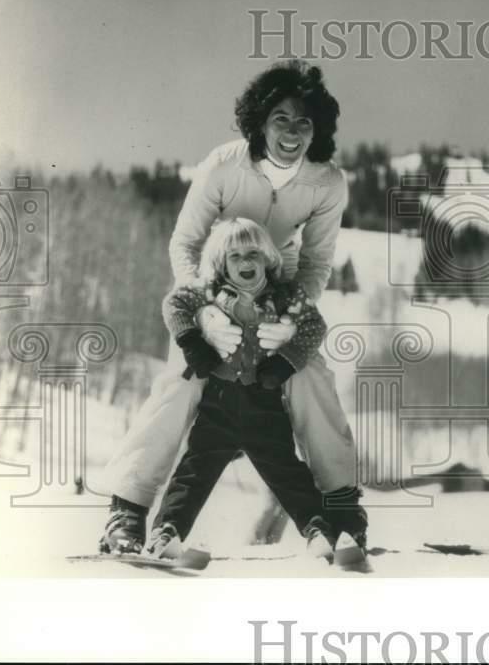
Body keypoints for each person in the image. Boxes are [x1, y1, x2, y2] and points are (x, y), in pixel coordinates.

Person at [99, 60, 362, 554]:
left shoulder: (327, 183)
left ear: (317, 130)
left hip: (276, 294)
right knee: (183, 379)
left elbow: (316, 262)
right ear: (260, 121)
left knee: (312, 377)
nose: (291, 131)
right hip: (211, 286)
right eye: (280, 118)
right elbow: (185, 242)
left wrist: (290, 321)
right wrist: (203, 312)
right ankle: (127, 511)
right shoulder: (223, 164)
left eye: (304, 121)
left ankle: (342, 507)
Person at [141, 218, 356, 558]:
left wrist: (286, 362)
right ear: (221, 263)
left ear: (268, 258)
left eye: (253, 254)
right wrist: (191, 342)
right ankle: (165, 534)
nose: (245, 262)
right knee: (193, 472)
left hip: (264, 404)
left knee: (287, 473)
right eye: (235, 255)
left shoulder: (285, 296)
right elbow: (174, 305)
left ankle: (321, 533)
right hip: (219, 404)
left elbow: (315, 325)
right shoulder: (208, 292)